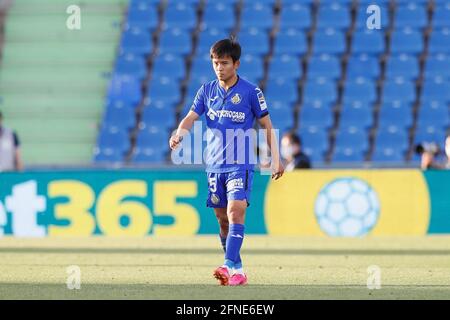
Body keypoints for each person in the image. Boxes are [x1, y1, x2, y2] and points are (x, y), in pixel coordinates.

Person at [169, 38, 284, 286]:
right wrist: (180, 133)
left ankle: (226, 264)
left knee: (235, 211)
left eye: (224, 63)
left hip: (240, 164)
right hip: (214, 166)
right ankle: (238, 270)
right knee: (222, 220)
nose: (219, 67)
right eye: (215, 63)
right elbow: (191, 116)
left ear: (236, 64)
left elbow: (266, 124)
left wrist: (276, 159)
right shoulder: (206, 90)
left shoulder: (251, 92)